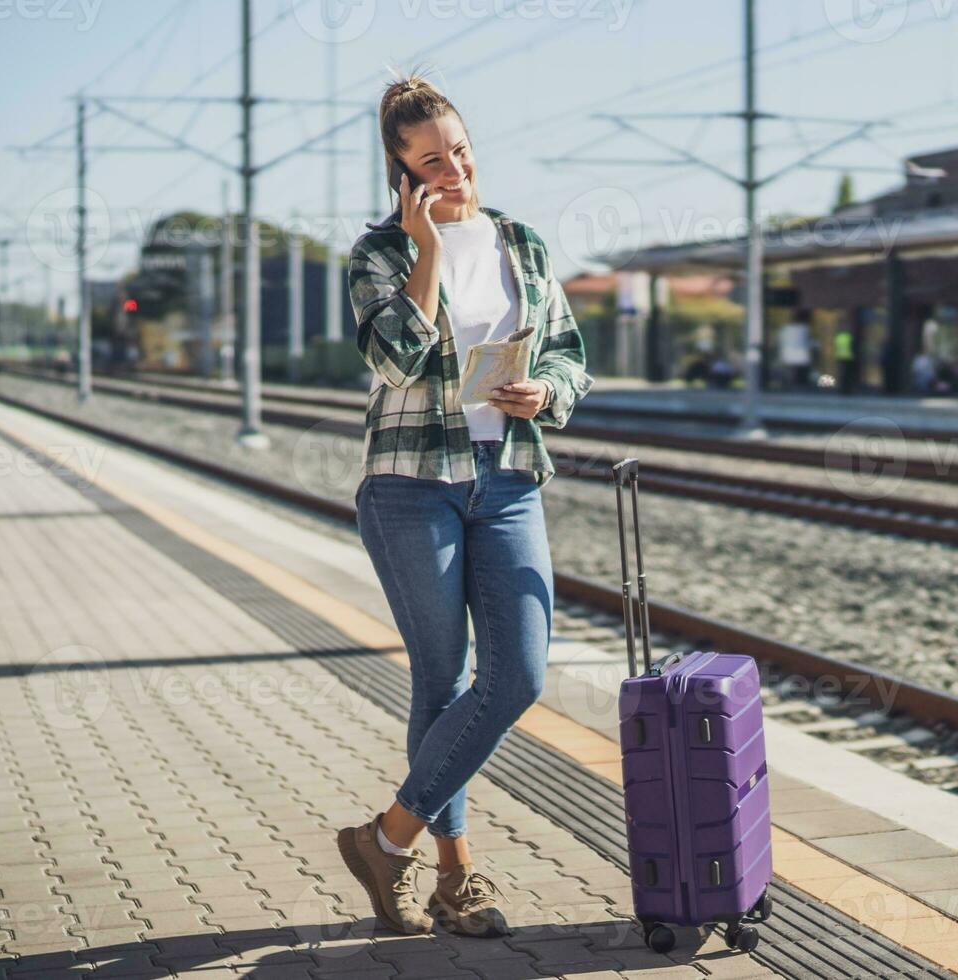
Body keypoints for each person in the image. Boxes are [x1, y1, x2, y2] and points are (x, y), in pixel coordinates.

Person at [337, 72, 594, 939]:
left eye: (460, 149)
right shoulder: (379, 254)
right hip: (412, 486)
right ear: (400, 173)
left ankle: (386, 839)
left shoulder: (520, 240)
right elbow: (397, 362)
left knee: (516, 675)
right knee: (442, 680)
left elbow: (568, 353)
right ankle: (456, 878)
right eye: (430, 160)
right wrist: (430, 251)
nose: (454, 168)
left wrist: (543, 392)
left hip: (509, 478)